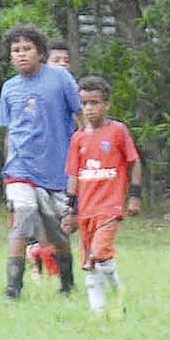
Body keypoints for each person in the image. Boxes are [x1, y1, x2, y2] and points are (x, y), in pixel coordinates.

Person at [0, 23, 80, 299]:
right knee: (23, 217)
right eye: (15, 50)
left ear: (41, 52)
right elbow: (10, 131)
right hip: (20, 169)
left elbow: (81, 120)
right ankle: (13, 288)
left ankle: (67, 283)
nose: (21, 55)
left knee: (56, 233)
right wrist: (7, 167)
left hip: (56, 170)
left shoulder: (60, 79)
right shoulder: (9, 88)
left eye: (27, 49)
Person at [64, 75, 142, 317]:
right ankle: (98, 312)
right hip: (86, 209)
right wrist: (71, 210)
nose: (89, 109)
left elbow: (134, 161)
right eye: (85, 103)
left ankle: (119, 293)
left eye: (94, 103)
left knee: (99, 252)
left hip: (110, 206)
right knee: (89, 263)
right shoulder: (78, 138)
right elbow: (74, 175)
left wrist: (135, 195)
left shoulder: (117, 131)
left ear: (106, 105)